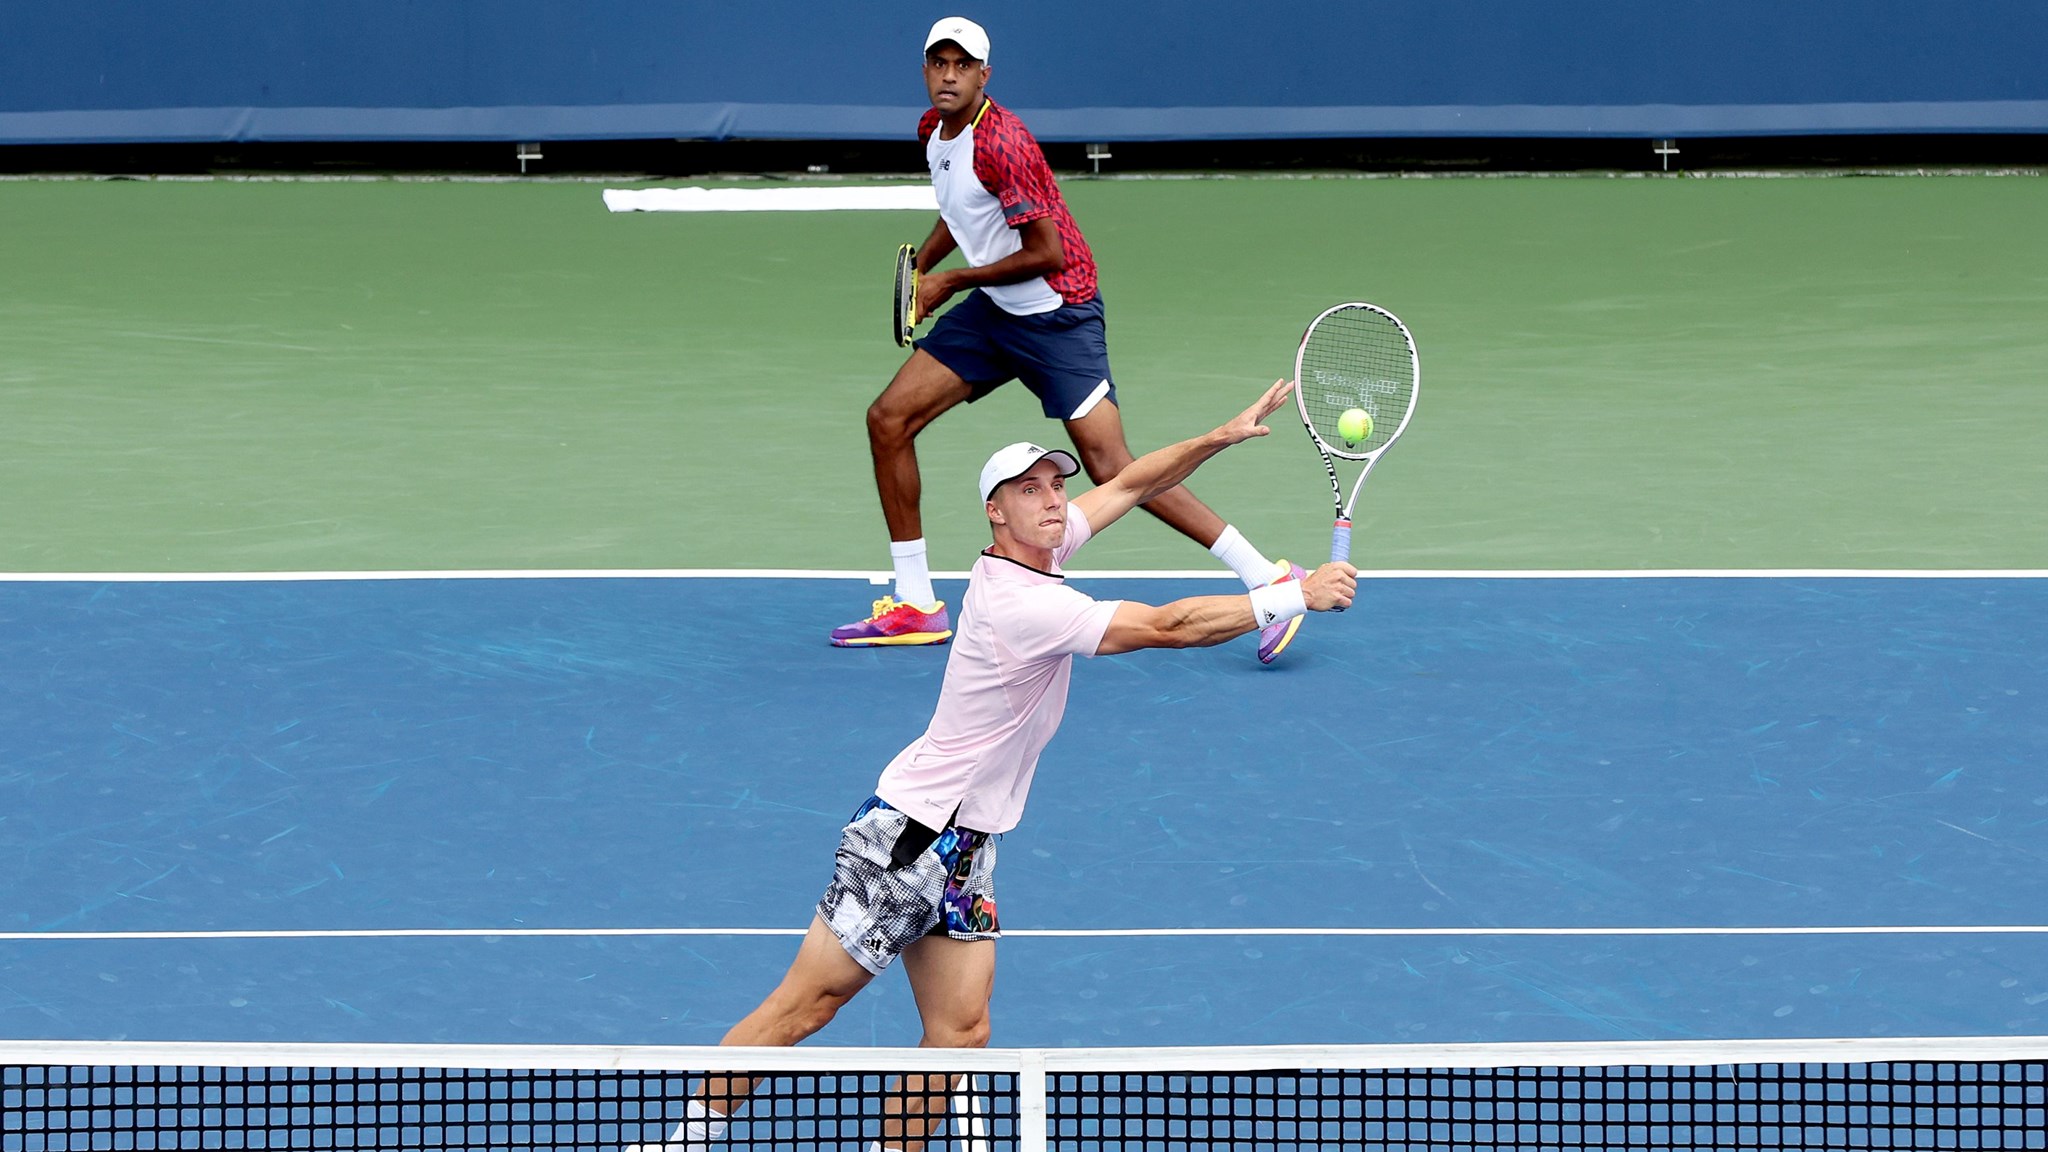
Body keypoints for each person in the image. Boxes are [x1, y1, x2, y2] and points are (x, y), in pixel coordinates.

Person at [636, 379, 1356, 1152]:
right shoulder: (1024, 604)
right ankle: (681, 1143)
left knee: (961, 1032)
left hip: (969, 848)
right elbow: (1170, 627)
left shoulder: (1042, 549)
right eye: (1028, 489)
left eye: (1055, 485)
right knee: (804, 1008)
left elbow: (1133, 483)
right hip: (911, 838)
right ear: (995, 512)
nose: (1052, 500)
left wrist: (1219, 435)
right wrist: (1292, 595)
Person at [831, 15, 1307, 666]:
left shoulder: (1004, 143)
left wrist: (951, 282)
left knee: (1112, 467)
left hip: (1059, 314)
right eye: (938, 63)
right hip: (996, 312)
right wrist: (924, 269)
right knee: (888, 419)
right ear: (925, 70)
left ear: (984, 75)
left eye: (962, 65)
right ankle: (916, 603)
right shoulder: (933, 132)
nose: (949, 75)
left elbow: (1047, 252)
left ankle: (1267, 576)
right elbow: (960, 209)